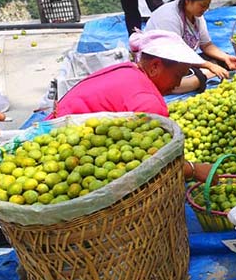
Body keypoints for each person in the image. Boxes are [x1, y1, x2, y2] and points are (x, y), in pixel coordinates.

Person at [51, 29, 213, 182]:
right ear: (155, 66)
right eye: (177, 76)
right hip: (63, 152)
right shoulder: (149, 103)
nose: (178, 83)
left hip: (53, 130)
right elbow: (154, 163)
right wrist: (193, 170)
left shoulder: (127, 68)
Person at [145, 0, 236, 93]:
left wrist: (225, 57)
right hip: (164, 63)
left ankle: (204, 74)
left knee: (221, 61)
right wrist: (210, 66)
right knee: (185, 80)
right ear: (188, 1)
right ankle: (201, 77)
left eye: (207, 6)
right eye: (202, 5)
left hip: (184, 60)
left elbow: (206, 45)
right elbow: (176, 55)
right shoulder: (169, 18)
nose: (205, 10)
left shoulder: (197, 16)